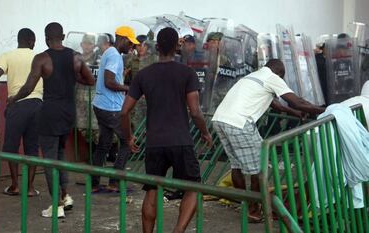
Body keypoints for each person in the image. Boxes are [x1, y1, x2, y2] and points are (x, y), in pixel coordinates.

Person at [121, 27, 213, 233]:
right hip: (181, 140)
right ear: (176, 46)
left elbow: (124, 111)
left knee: (152, 190)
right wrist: (205, 133)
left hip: (154, 142)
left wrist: (128, 137)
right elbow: (196, 112)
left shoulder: (144, 75)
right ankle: (178, 230)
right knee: (193, 188)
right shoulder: (187, 73)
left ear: (157, 47)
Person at [212, 59, 325, 222]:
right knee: (259, 168)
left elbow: (274, 104)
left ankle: (247, 205)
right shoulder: (273, 78)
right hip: (239, 123)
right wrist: (326, 109)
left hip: (220, 120)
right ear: (280, 73)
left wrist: (293, 113)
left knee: (236, 165)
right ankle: (254, 210)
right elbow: (297, 101)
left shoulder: (252, 76)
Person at [8, 22, 95, 218]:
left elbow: (29, 87)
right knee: (60, 154)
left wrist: (13, 99)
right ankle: (65, 196)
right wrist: (73, 79)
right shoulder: (76, 57)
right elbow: (90, 81)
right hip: (68, 114)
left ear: (46, 38)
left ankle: (56, 206)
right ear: (63, 36)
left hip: (49, 114)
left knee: (49, 160)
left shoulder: (42, 59)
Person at [0, 28, 42, 197]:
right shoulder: (39, 56)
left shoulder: (7, 55)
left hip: (16, 105)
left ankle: (15, 186)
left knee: (11, 147)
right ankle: (31, 188)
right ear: (31, 41)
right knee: (32, 147)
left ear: (18, 40)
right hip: (37, 105)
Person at [91, 26, 139, 193]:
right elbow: (109, 82)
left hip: (101, 105)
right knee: (127, 141)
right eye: (130, 44)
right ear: (123, 39)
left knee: (104, 144)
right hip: (111, 107)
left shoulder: (110, 53)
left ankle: (95, 182)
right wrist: (128, 88)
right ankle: (114, 182)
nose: (131, 47)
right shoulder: (114, 55)